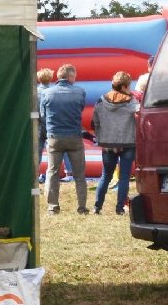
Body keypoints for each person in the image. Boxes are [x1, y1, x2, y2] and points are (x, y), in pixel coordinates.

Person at [39, 63, 88, 214]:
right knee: (79, 175)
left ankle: (52, 207)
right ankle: (82, 207)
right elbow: (80, 109)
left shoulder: (46, 93)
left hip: (54, 137)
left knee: (52, 172)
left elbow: (43, 116)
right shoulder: (80, 92)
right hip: (74, 137)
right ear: (70, 77)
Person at [92, 71, 138, 215]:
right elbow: (140, 116)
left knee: (106, 175)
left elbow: (95, 122)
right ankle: (119, 208)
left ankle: (97, 207)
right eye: (129, 86)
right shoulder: (131, 101)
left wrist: (100, 136)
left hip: (108, 143)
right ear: (124, 86)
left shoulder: (101, 100)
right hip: (127, 142)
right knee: (124, 177)